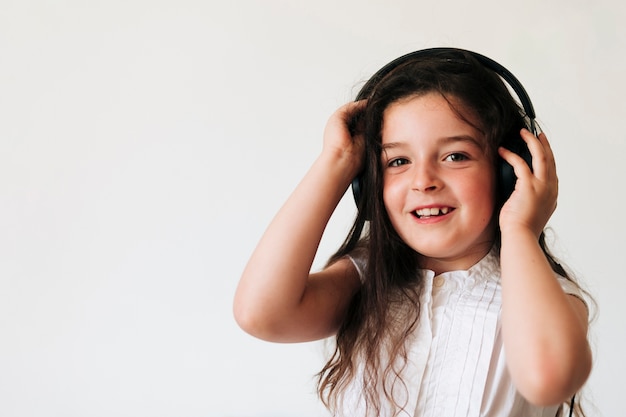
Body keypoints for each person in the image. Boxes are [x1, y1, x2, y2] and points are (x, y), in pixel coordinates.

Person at [233, 48, 592, 417]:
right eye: (398, 161)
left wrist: (520, 229)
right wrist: (337, 161)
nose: (423, 181)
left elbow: (548, 377)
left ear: (509, 170)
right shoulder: (367, 278)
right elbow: (261, 313)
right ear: (370, 182)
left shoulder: (548, 299)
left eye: (455, 156)